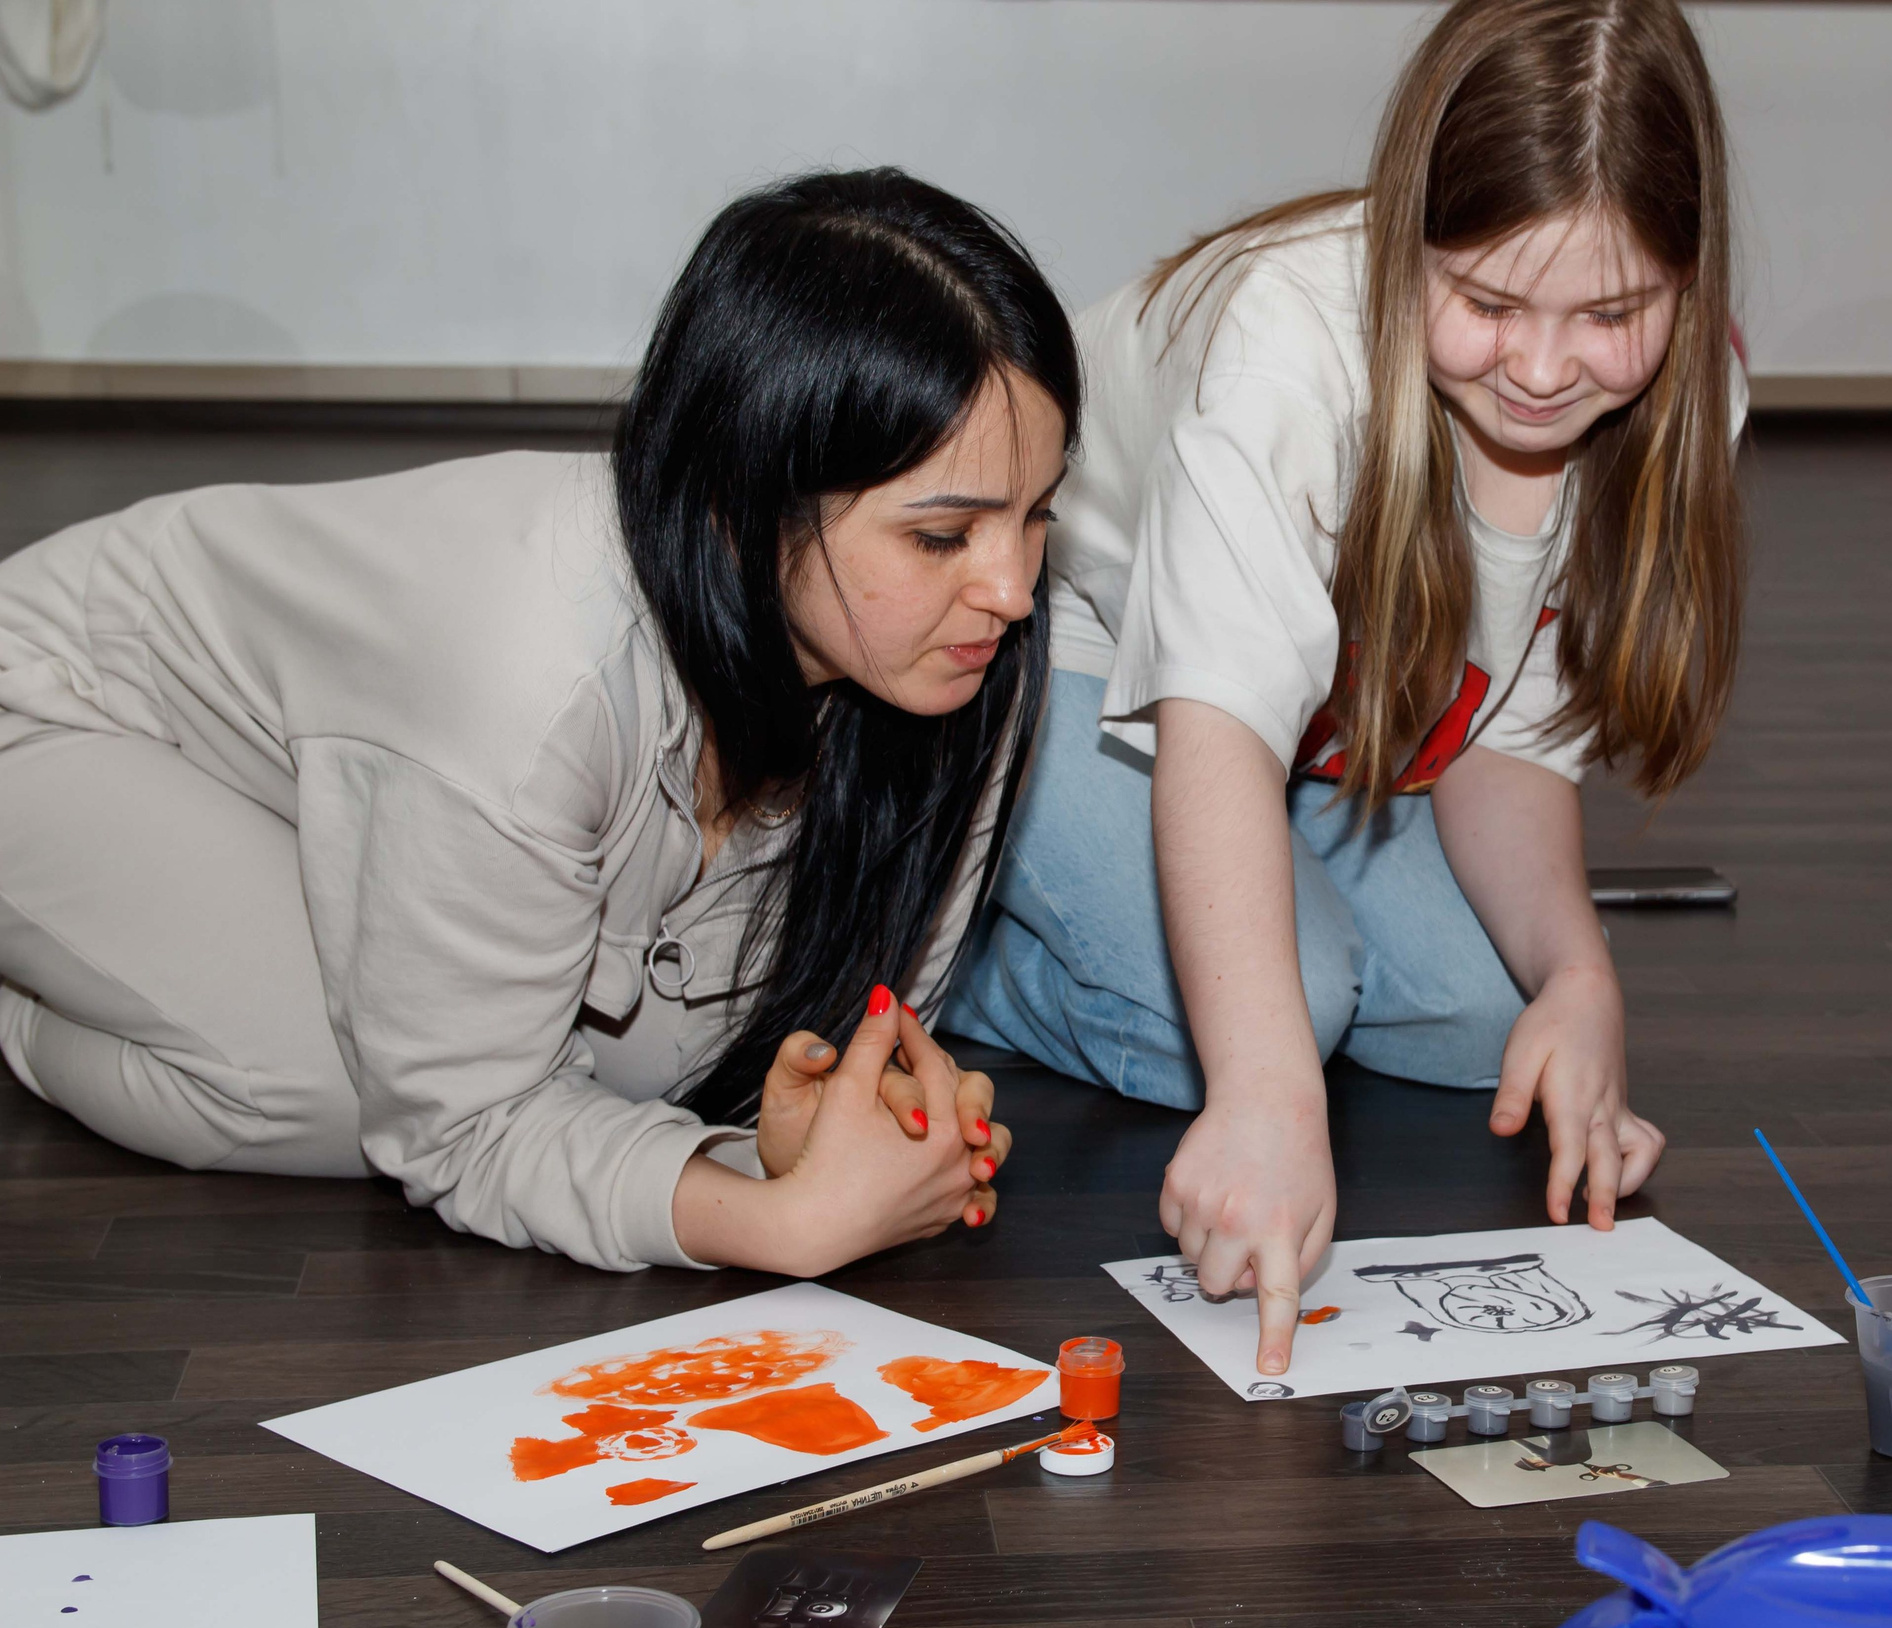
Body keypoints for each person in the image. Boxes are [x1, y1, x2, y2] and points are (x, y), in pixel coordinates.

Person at [0, 168, 1078, 1275]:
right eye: (943, 536)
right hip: (66, 708)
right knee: (331, 1095)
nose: (1012, 586)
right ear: (742, 504)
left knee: (587, 1063)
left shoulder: (956, 651)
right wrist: (774, 1221)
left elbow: (810, 1044)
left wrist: (793, 1136)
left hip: (387, 772)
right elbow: (458, 1128)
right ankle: (23, 986)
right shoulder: (529, 673)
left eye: (1038, 514)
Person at [945, 0, 1750, 1373]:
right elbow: (1216, 733)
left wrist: (1581, 974)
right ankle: (946, 927)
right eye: (1488, 302)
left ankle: (1271, 906)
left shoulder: (1687, 396)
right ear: (1405, 244)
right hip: (1070, 649)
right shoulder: (1285, 353)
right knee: (1285, 1014)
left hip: (1324, 731)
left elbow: (1506, 742)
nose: (1547, 370)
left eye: (1612, 312)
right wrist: (1261, 1093)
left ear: (1686, 279)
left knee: (1501, 1022)